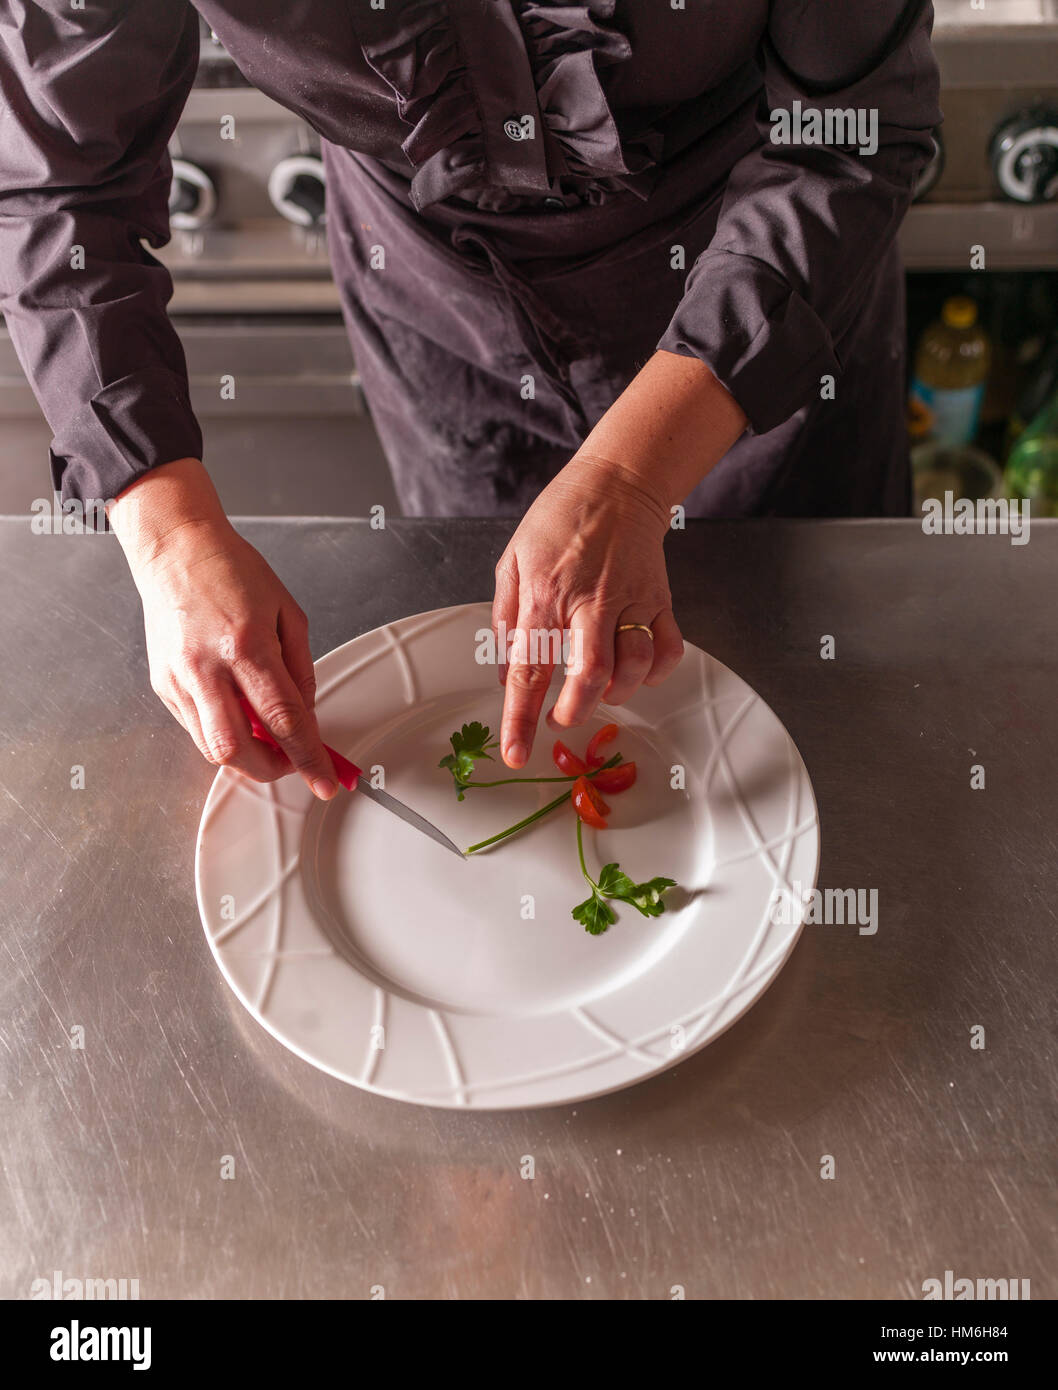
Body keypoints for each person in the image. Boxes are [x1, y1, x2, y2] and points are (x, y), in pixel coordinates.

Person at [0, 1, 940, 797]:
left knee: (811, 708)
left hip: (759, 293)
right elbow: (63, 182)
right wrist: (169, 534)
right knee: (493, 689)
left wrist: (632, 474)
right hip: (439, 308)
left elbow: (848, 137)